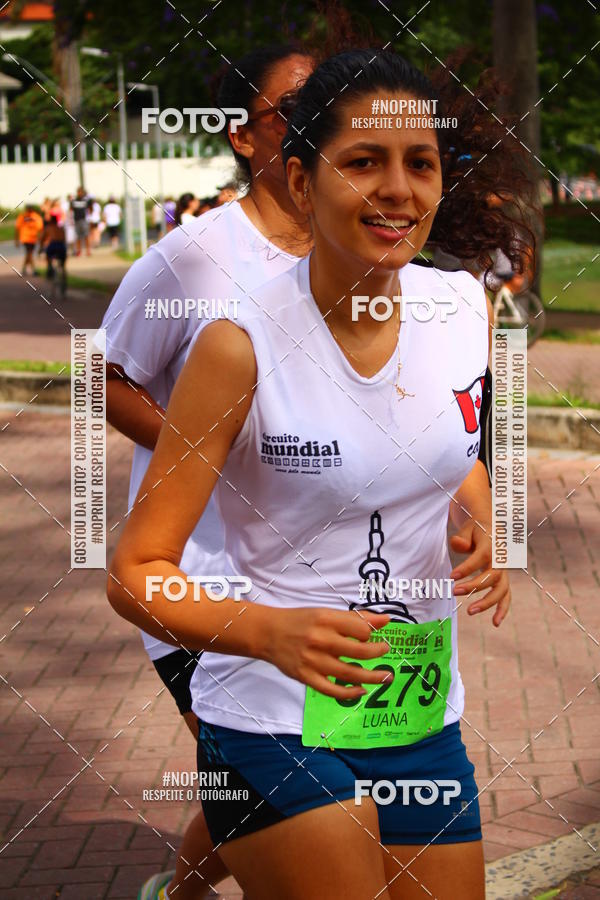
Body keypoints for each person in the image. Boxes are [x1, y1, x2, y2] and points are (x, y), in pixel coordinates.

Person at [107, 48, 537, 900]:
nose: (399, 189)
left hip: (414, 710)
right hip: (269, 711)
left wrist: (484, 526)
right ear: (302, 183)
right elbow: (134, 576)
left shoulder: (460, 309)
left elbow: (460, 446)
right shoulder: (238, 344)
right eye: (364, 162)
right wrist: (272, 633)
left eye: (421, 164)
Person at [101, 44, 315, 900]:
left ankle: (177, 893)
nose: (312, 121)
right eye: (287, 110)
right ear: (242, 138)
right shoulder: (192, 259)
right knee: (278, 771)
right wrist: (208, 448)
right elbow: (103, 377)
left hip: (318, 573)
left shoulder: (355, 256)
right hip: (199, 573)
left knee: (290, 765)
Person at [40, 214, 67, 293]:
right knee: (62, 265)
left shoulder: (48, 228)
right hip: (61, 246)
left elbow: (42, 239)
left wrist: (40, 248)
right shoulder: (61, 228)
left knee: (48, 255)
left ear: (51, 221)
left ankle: (49, 267)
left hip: (53, 245)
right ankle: (63, 277)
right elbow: (64, 239)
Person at [14, 204, 44, 276]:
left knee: (29, 253)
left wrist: (40, 237)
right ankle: (33, 270)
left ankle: (24, 269)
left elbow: (40, 228)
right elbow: (17, 228)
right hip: (25, 238)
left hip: (33, 238)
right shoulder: (23, 216)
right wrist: (16, 240)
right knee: (29, 253)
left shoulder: (35, 217)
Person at [70, 186, 92, 256]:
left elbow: (90, 208)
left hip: (83, 220)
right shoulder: (74, 201)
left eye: (81, 192)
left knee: (86, 236)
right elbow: (71, 210)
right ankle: (79, 251)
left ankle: (88, 250)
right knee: (78, 237)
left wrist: (89, 215)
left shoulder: (86, 201)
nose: (80, 193)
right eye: (79, 192)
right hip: (77, 220)